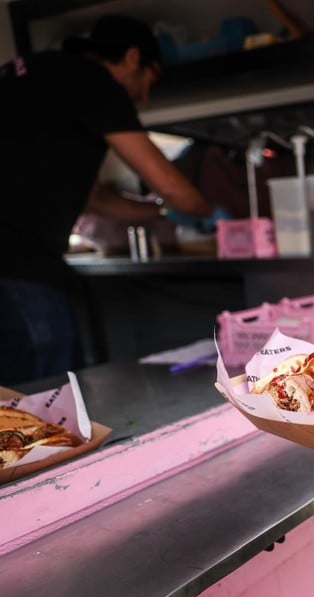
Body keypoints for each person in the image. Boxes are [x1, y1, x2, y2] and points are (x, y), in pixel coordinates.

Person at [0, 15, 229, 386]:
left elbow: (98, 201)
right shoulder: (93, 80)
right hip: (18, 268)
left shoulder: (34, 74)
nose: (143, 97)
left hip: (15, 265)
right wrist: (211, 213)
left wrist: (163, 212)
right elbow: (171, 185)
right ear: (132, 58)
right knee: (43, 403)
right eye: (148, 81)